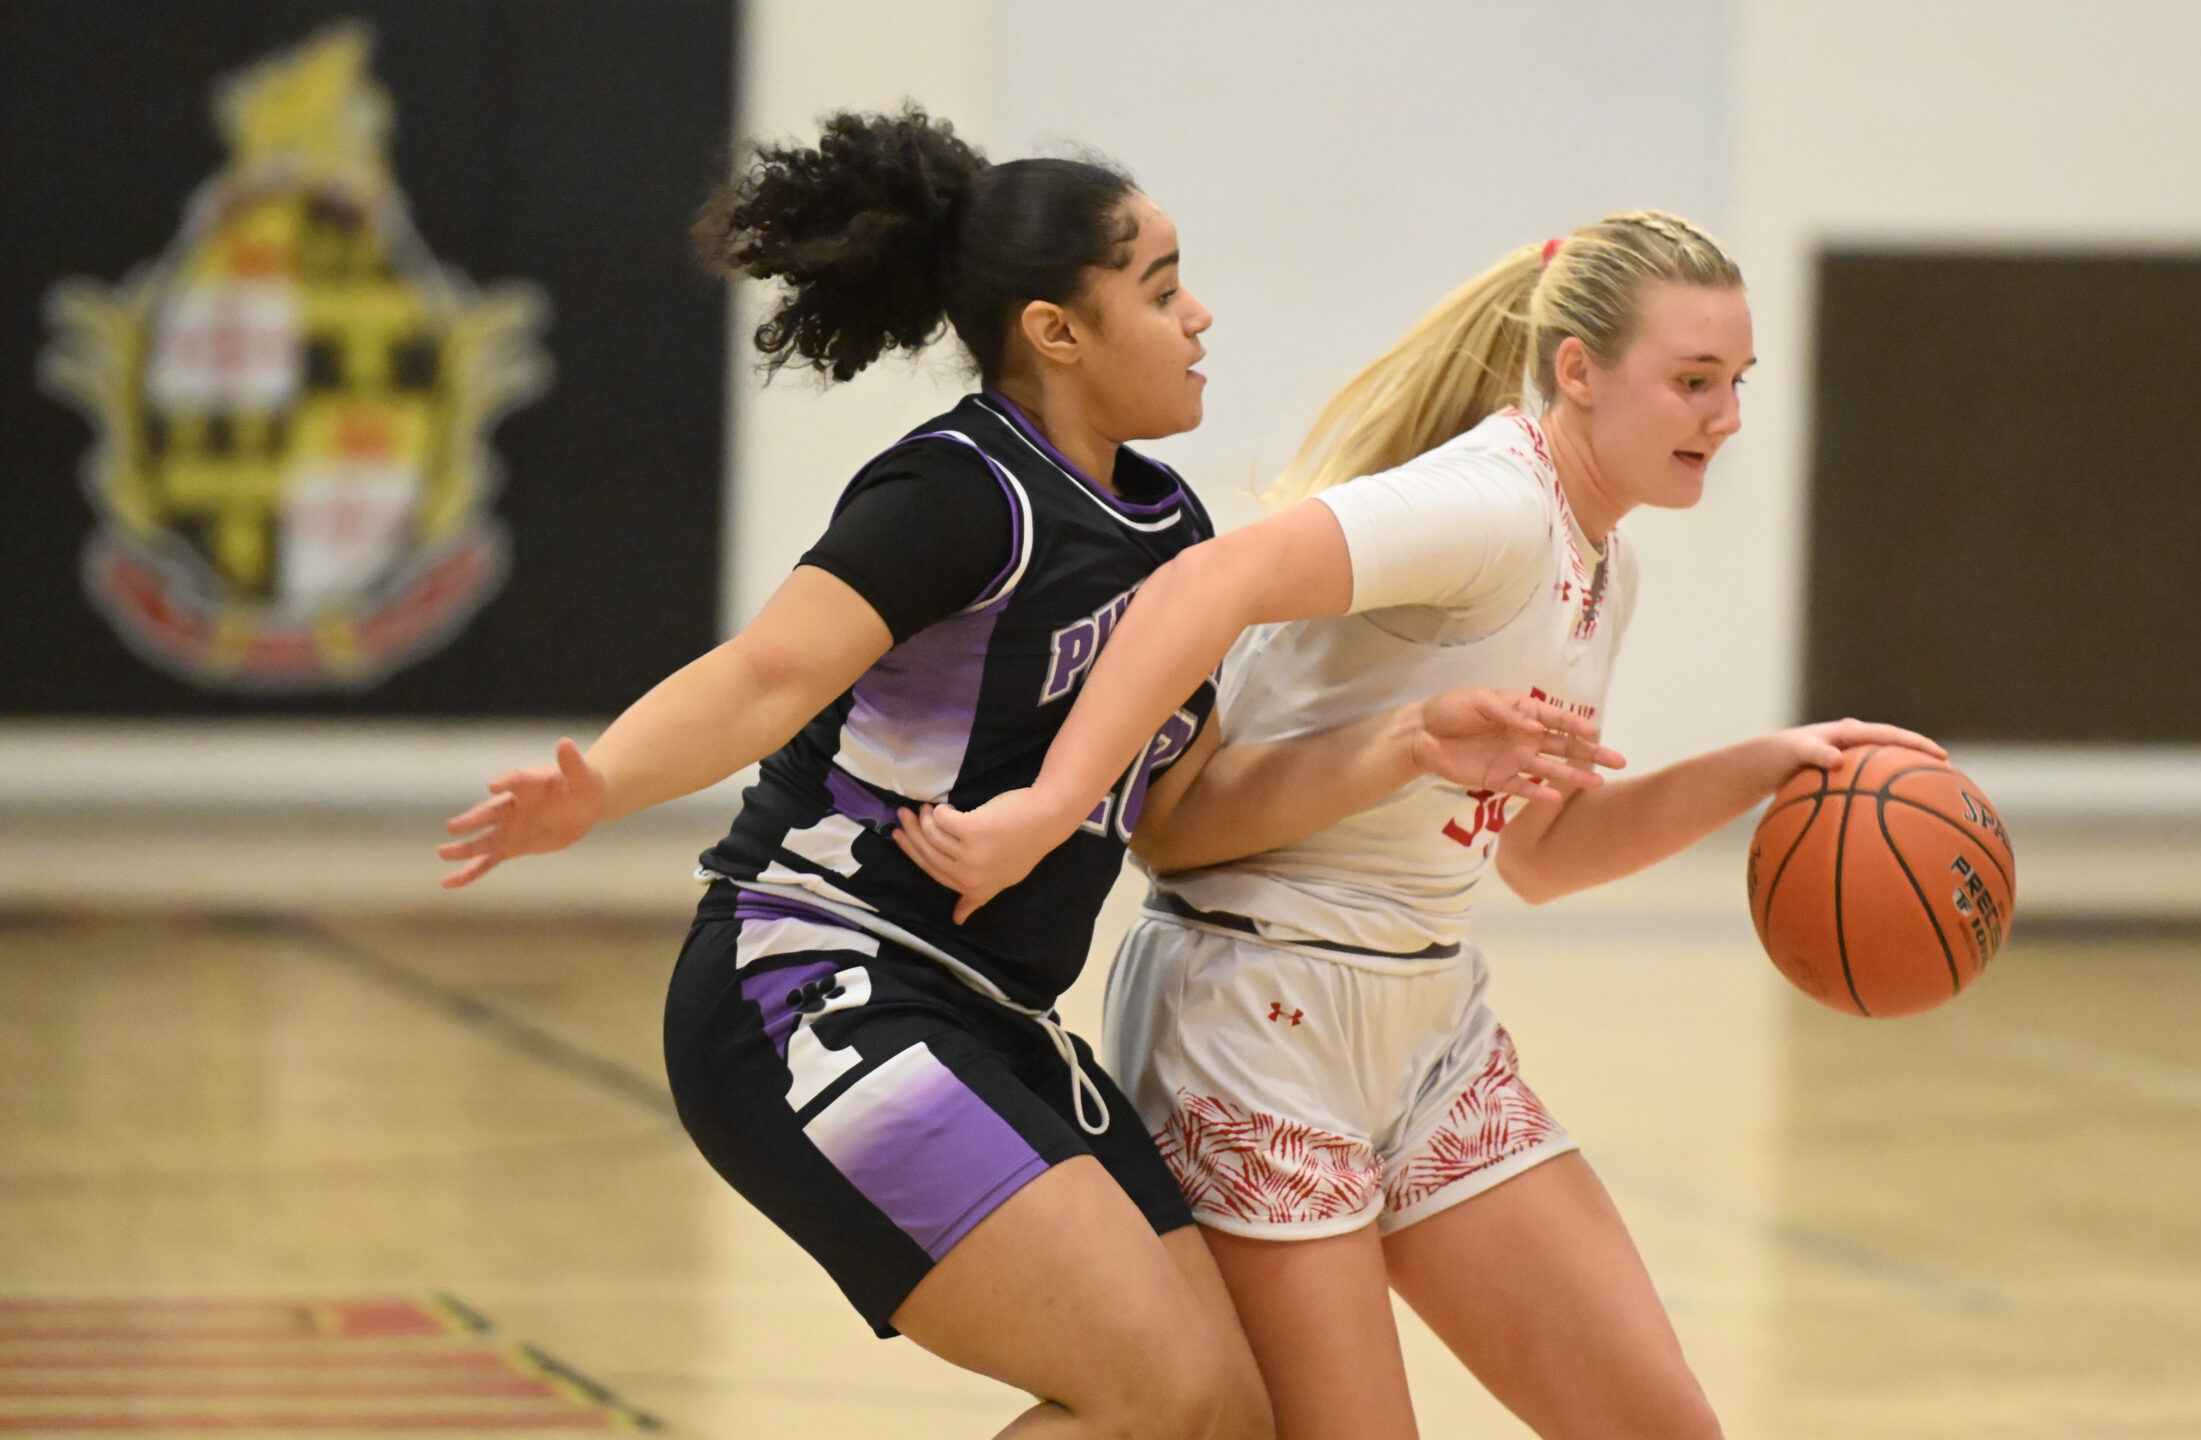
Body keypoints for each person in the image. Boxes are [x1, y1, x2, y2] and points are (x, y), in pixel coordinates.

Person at [434, 107, 1608, 1440]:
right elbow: (770, 674)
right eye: (1162, 291)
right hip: (816, 981)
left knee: (1235, 1412)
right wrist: (601, 788)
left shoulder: (1169, 529)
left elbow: (1182, 821)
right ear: (1058, 330)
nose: (1201, 316)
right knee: (1156, 1390)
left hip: (991, 1014)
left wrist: (1396, 749)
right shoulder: (963, 492)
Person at [891, 212, 1944, 1439]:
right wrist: (1051, 805)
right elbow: (1202, 581)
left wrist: (1767, 766)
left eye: (1736, 384)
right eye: (1693, 382)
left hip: (1425, 1021)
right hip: (1259, 1015)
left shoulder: (1601, 559)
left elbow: (1543, 855)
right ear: (1578, 371)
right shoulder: (1486, 507)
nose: (1724, 416)